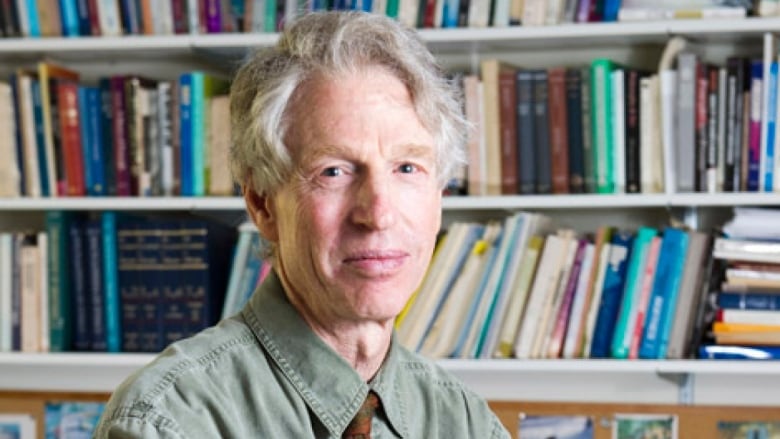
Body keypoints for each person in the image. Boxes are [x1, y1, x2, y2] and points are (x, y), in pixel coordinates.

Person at [94, 11, 510, 438]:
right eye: (334, 172)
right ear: (262, 204)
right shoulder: (171, 420)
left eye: (407, 167)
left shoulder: (465, 422)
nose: (378, 214)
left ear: (439, 196)